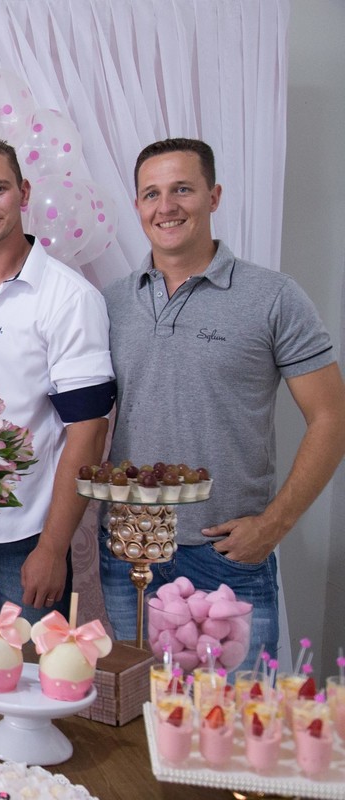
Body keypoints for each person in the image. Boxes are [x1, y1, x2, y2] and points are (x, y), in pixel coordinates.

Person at [99, 138, 345, 664]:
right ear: (137, 205)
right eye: (151, 194)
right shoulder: (112, 301)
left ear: (213, 196)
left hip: (227, 555)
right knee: (141, 709)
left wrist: (274, 525)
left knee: (230, 712)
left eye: (182, 189)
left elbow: (331, 417)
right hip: (129, 550)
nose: (166, 206)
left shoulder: (273, 296)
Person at [0, 137, 116, 624]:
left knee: (30, 669)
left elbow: (89, 432)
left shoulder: (69, 297)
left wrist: (53, 548)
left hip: (26, 537)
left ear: (24, 191)